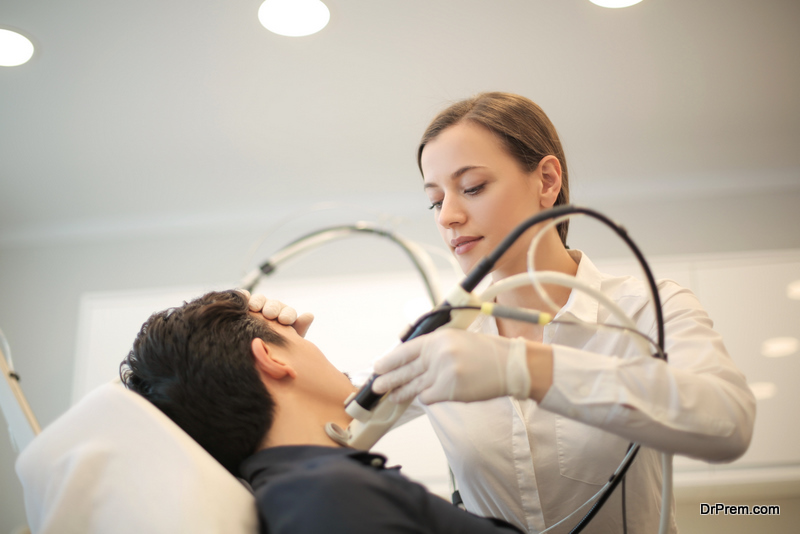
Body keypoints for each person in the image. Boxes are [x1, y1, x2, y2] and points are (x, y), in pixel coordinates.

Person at [256, 92, 757, 533]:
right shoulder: (441, 338)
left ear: (546, 179)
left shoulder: (647, 308)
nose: (449, 216)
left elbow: (727, 423)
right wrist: (284, 350)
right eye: (435, 202)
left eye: (471, 187)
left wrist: (520, 369)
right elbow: (335, 423)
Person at [119, 289, 523, 534]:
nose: (322, 352)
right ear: (269, 359)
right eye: (295, 341)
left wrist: (291, 358)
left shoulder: (298, 491)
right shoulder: (326, 495)